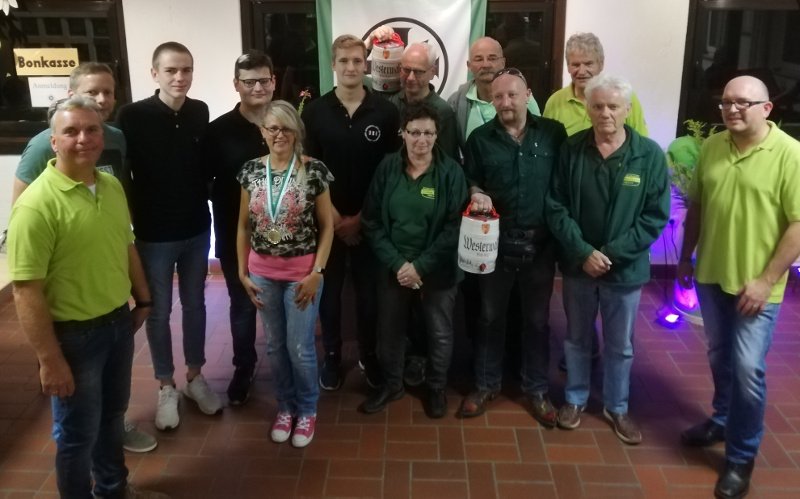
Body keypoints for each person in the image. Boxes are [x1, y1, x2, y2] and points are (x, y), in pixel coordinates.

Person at [8, 97, 167, 499]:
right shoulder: (35, 206)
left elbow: (125, 244)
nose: (84, 139)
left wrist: (143, 301)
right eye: (71, 131)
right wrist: (49, 359)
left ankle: (113, 490)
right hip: (72, 339)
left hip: (117, 325)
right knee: (77, 435)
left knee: (112, 419)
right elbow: (25, 290)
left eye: (92, 129)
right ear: (52, 141)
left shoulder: (110, 185)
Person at [677, 75, 800, 499]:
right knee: (719, 354)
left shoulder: (790, 155)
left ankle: (741, 456)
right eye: (726, 102)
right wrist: (684, 258)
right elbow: (697, 206)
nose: (732, 110)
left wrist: (767, 281)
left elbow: (799, 224)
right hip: (712, 275)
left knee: (749, 370)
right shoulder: (712, 146)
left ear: (767, 108)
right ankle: (722, 418)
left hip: (758, 287)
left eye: (743, 103)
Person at [546, 73, 670, 445]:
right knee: (576, 339)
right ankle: (575, 399)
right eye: (598, 106)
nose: (605, 114)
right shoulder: (571, 150)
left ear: (628, 110)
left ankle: (617, 406)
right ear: (588, 108)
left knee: (621, 345)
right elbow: (555, 205)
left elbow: (655, 216)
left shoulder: (649, 156)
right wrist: (583, 252)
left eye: (613, 106)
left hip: (625, 270)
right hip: (578, 266)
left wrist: (610, 254)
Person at [117, 42, 221, 431]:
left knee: (196, 306)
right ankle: (165, 385)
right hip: (153, 235)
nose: (180, 78)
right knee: (158, 313)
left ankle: (194, 377)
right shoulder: (132, 115)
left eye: (187, 70)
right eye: (172, 70)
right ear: (154, 73)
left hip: (196, 229)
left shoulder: (200, 112)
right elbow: (123, 176)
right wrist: (129, 223)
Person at [459, 68, 567, 425]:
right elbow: (471, 178)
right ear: (492, 100)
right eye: (499, 96)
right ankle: (486, 384)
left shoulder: (553, 134)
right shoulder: (479, 138)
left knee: (537, 320)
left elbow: (563, 184)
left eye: (513, 95)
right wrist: (475, 191)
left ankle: (536, 389)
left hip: (540, 245)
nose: (506, 102)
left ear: (528, 95)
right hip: (494, 245)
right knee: (490, 317)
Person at [302, 34, 400, 391]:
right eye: (344, 61)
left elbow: (391, 172)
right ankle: (331, 355)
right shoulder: (314, 113)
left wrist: (361, 218)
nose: (351, 67)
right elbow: (308, 171)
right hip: (326, 223)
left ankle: (368, 355)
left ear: (367, 64)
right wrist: (335, 218)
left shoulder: (386, 112)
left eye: (358, 61)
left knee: (368, 295)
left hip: (369, 222)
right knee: (329, 293)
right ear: (333, 65)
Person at [360, 101, 467, 418]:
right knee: (389, 330)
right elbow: (371, 222)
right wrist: (399, 265)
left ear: (437, 135)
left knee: (440, 332)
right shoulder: (386, 167)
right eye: (415, 132)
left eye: (429, 133)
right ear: (402, 134)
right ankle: (392, 385)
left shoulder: (451, 173)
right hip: (394, 268)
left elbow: (454, 227)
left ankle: (436, 387)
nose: (422, 140)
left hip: (437, 268)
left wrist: (420, 266)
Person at [237, 100, 334, 447]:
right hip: (262, 274)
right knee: (276, 347)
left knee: (300, 347)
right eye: (272, 128)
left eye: (286, 128)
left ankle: (307, 411)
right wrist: (241, 271)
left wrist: (317, 272)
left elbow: (327, 228)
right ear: (262, 132)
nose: (279, 134)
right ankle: (286, 407)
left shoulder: (315, 170)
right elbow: (243, 226)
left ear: (297, 132)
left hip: (302, 274)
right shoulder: (250, 171)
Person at [204, 50, 274, 405]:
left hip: (284, 239)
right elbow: (203, 181)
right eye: (249, 81)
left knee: (282, 306)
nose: (258, 87)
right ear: (236, 85)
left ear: (274, 82)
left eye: (264, 80)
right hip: (236, 236)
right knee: (243, 305)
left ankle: (286, 368)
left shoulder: (285, 125)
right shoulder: (218, 131)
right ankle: (243, 368)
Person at [447, 36, 541, 152]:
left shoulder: (523, 98)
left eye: (492, 58)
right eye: (478, 59)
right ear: (469, 66)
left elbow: (538, 139)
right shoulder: (456, 102)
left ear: (503, 63)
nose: (486, 65)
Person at [543, 33, 648, 137]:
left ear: (601, 64)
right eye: (575, 65)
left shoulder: (624, 97)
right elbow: (546, 145)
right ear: (568, 67)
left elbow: (641, 145)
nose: (581, 71)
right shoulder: (555, 101)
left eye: (588, 64)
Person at [387, 42, 460, 161]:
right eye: (406, 69)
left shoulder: (443, 111)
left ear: (433, 72)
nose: (410, 77)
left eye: (418, 72)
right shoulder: (392, 103)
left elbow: (448, 162)